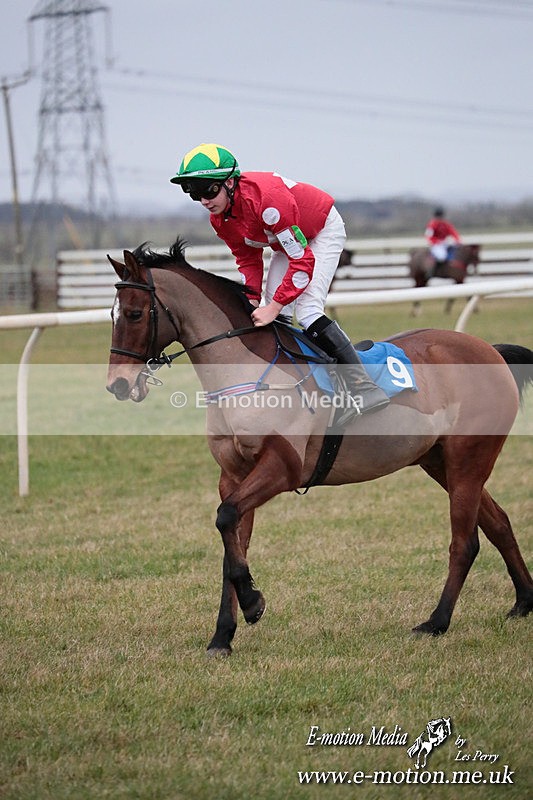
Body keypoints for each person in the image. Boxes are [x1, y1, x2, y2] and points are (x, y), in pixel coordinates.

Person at [170, 143, 389, 422]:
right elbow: (248, 260)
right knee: (275, 316)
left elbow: (302, 263)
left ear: (230, 183)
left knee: (306, 312)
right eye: (193, 193)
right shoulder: (220, 219)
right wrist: (250, 300)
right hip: (288, 242)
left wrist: (272, 305)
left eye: (209, 190)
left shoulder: (267, 204)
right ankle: (296, 388)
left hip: (320, 230)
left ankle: (363, 386)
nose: (204, 200)